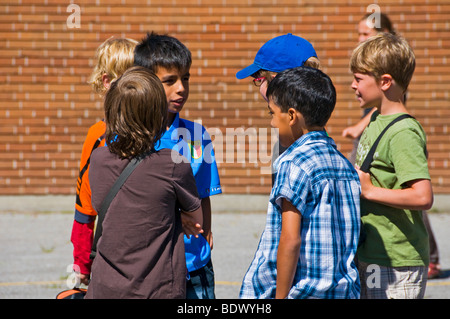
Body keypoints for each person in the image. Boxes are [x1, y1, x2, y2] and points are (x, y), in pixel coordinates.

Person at [239, 66, 361, 299]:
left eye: (272, 114)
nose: (273, 124)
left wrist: (281, 297)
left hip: (301, 292)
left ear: (292, 116)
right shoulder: (344, 165)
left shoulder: (293, 163)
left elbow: (290, 239)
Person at [85, 66, 203, 299]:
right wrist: (169, 214)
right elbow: (196, 222)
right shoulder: (173, 162)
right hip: (157, 290)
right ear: (158, 115)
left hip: (104, 288)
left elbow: (113, 209)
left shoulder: (97, 159)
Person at [133, 32, 222, 299]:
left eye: (185, 78)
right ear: (146, 83)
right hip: (149, 264)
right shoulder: (127, 139)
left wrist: (205, 231)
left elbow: (203, 193)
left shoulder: (197, 135)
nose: (181, 88)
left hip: (194, 263)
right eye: (170, 81)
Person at [351, 33, 434, 298]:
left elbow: (422, 196)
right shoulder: (376, 119)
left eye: (358, 79)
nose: (353, 85)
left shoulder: (403, 132)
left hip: (397, 261)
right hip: (373, 253)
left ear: (385, 81)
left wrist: (370, 191)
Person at [70, 37, 138, 285]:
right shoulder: (97, 137)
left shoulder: (160, 130)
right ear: (107, 82)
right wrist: (81, 262)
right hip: (110, 256)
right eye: (129, 77)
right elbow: (84, 208)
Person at [235, 33, 321, 183]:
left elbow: (286, 206)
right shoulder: (319, 138)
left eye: (258, 79)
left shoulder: (289, 146)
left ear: (275, 82)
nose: (258, 86)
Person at [342, 13, 396, 165]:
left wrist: (359, 127)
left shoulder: (389, 63)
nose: (360, 39)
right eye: (359, 34)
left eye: (365, 34)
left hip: (378, 130)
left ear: (383, 33)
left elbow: (390, 101)